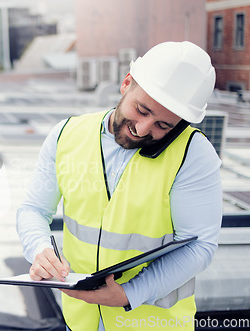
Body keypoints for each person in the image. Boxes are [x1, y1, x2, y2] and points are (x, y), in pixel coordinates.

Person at [16, 41, 222, 331]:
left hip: (153, 324)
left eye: (164, 125)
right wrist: (40, 249)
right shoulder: (67, 135)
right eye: (142, 110)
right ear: (126, 83)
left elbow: (199, 246)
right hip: (81, 320)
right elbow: (34, 209)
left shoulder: (194, 154)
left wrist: (129, 293)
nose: (143, 129)